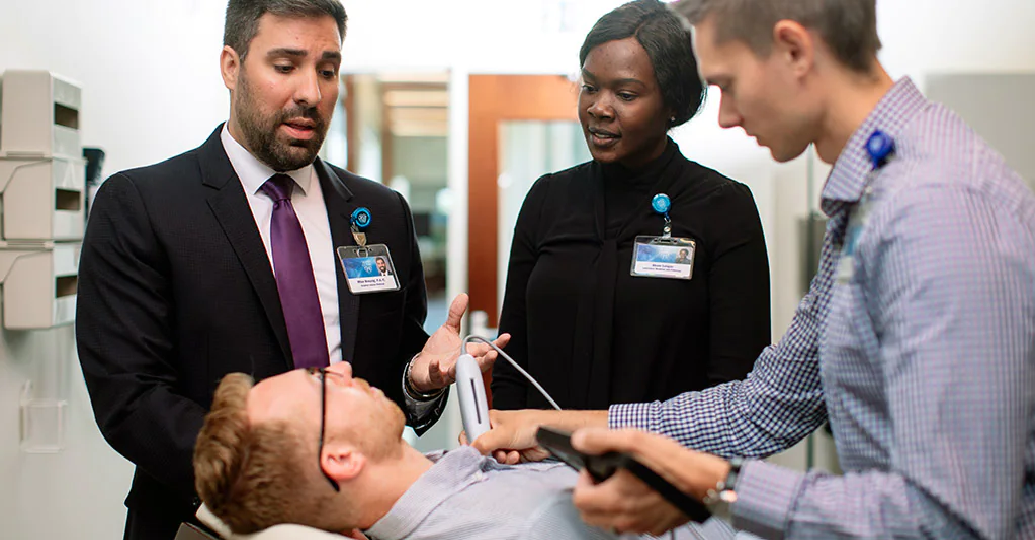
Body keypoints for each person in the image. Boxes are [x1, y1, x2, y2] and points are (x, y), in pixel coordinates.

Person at [472, 0, 1035, 538]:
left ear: (794, 51)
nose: (727, 115)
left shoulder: (936, 208)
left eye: (729, 84)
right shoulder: (870, 200)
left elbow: (949, 521)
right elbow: (759, 407)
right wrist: (554, 428)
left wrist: (718, 487)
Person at [76, 2, 506, 539]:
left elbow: (388, 373)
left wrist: (418, 379)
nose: (311, 92)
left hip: (365, 521)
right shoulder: (145, 205)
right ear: (231, 66)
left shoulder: (380, 213)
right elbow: (131, 399)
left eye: (327, 70)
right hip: (207, 521)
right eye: (285, 66)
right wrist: (282, 491)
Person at [493, 0, 770, 413]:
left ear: (673, 103)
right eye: (589, 87)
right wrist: (506, 440)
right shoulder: (548, 199)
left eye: (625, 94)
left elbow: (737, 385)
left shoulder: (722, 208)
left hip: (665, 452)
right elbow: (512, 362)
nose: (599, 108)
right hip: (540, 451)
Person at [192, 363, 637, 540]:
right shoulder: (526, 529)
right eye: (321, 381)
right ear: (341, 458)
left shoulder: (445, 473)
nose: (343, 367)